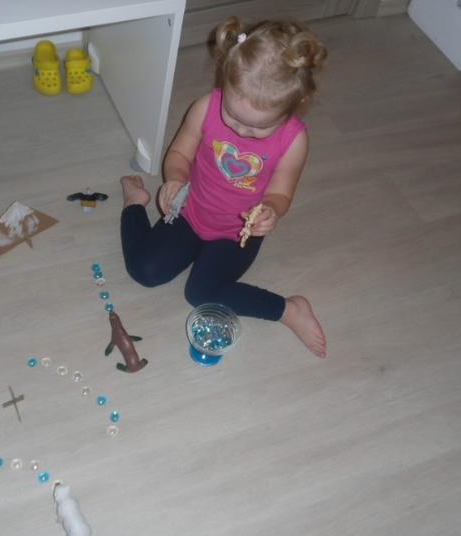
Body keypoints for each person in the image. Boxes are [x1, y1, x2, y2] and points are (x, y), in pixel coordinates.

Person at [119, 17, 328, 357]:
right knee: (144, 271)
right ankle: (134, 202)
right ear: (224, 83)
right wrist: (175, 178)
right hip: (190, 211)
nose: (241, 131)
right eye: (232, 116)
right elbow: (180, 153)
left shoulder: (294, 141)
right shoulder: (206, 107)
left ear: (295, 106)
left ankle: (288, 309)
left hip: (237, 234)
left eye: (258, 128)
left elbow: (281, 192)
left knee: (201, 293)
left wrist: (271, 211)